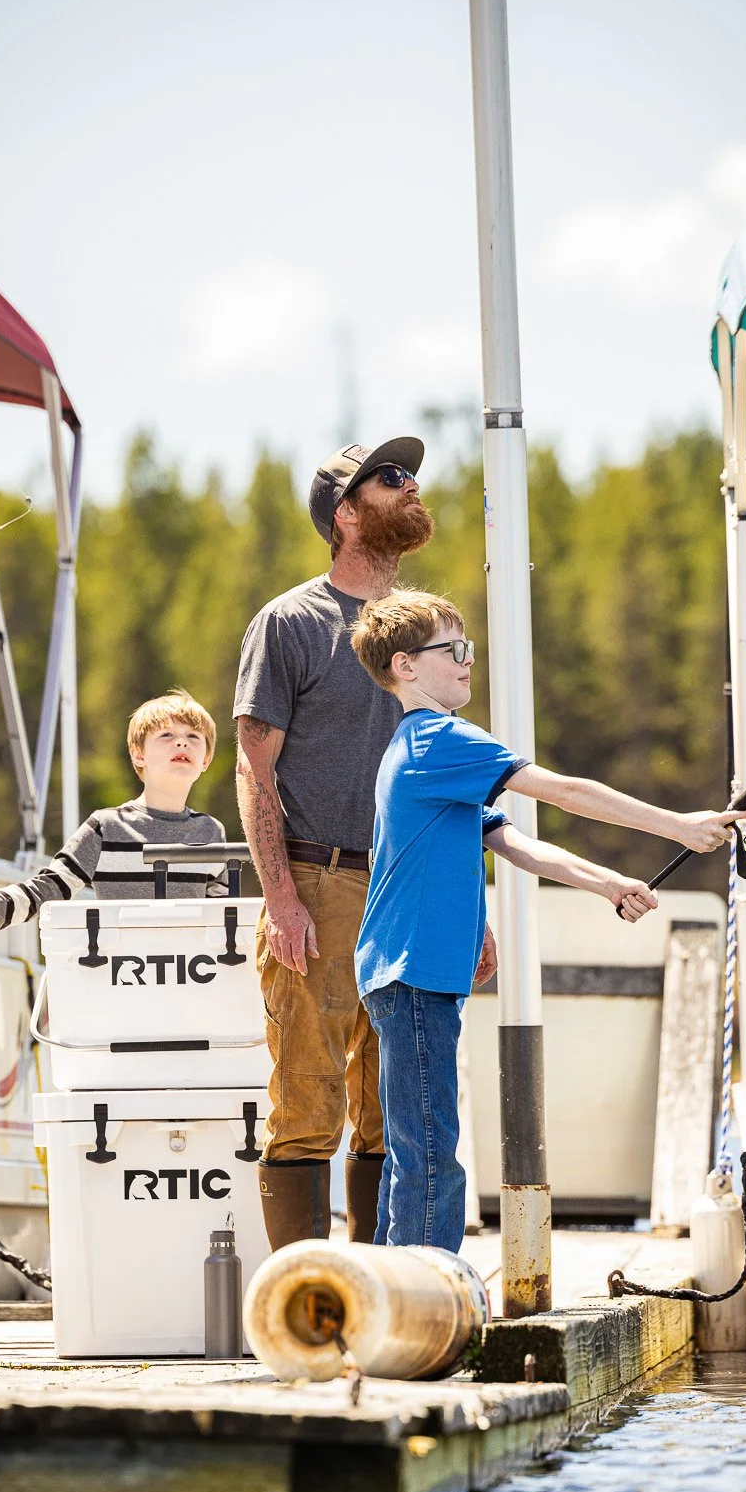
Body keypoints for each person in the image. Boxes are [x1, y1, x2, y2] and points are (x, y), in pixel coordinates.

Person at [349, 589, 746, 1253]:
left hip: (414, 971)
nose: (467, 661)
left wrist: (608, 883)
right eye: (453, 649)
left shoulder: (424, 750)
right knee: (429, 1154)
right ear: (405, 667)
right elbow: (564, 791)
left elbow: (512, 843)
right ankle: (426, 1296)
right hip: (412, 971)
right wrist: (678, 826)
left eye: (468, 648)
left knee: (418, 1149)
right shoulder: (439, 739)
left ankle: (405, 1294)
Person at [234, 437, 493, 1250]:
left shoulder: (421, 633)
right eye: (391, 478)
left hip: (411, 894)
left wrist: (471, 908)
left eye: (411, 474)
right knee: (309, 1105)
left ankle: (386, 1291)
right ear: (346, 515)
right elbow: (254, 769)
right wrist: (282, 898)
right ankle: (309, 1309)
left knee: (396, 1107)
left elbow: (448, 782)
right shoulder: (291, 622)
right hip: (320, 881)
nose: (411, 485)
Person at [0, 688, 225, 931]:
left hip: (190, 984)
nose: (181, 741)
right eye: (166, 735)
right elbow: (49, 890)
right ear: (138, 755)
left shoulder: (211, 832)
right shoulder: (106, 827)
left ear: (206, 760)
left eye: (194, 736)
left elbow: (225, 917)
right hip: (121, 981)